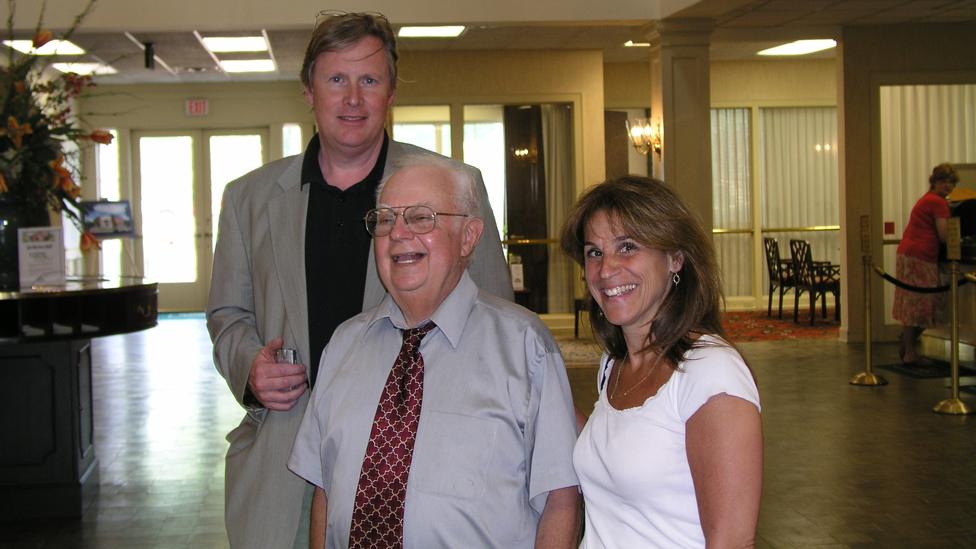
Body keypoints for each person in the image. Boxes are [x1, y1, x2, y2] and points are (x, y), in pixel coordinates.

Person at [206, 12, 513, 549]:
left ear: (390, 91)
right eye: (336, 80)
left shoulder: (455, 187)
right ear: (308, 90)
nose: (353, 98)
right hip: (278, 464)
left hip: (416, 460)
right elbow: (227, 315)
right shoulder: (247, 198)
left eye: (369, 80)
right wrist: (249, 365)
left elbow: (496, 319)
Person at [288, 153, 580, 548]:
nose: (398, 233)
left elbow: (561, 500)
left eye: (421, 217)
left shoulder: (525, 347)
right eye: (386, 219)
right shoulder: (343, 346)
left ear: (469, 236)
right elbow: (325, 489)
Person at [559, 176, 762, 548]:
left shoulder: (711, 373)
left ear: (675, 258)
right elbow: (626, 444)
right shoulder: (615, 364)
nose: (606, 270)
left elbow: (732, 541)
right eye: (594, 252)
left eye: (628, 247)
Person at [893, 163, 958, 366]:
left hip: (908, 254)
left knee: (913, 302)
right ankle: (910, 350)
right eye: (943, 181)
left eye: (950, 182)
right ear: (935, 181)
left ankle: (907, 343)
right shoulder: (938, 203)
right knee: (923, 304)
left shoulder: (926, 199)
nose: (947, 186)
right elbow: (944, 235)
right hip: (921, 256)